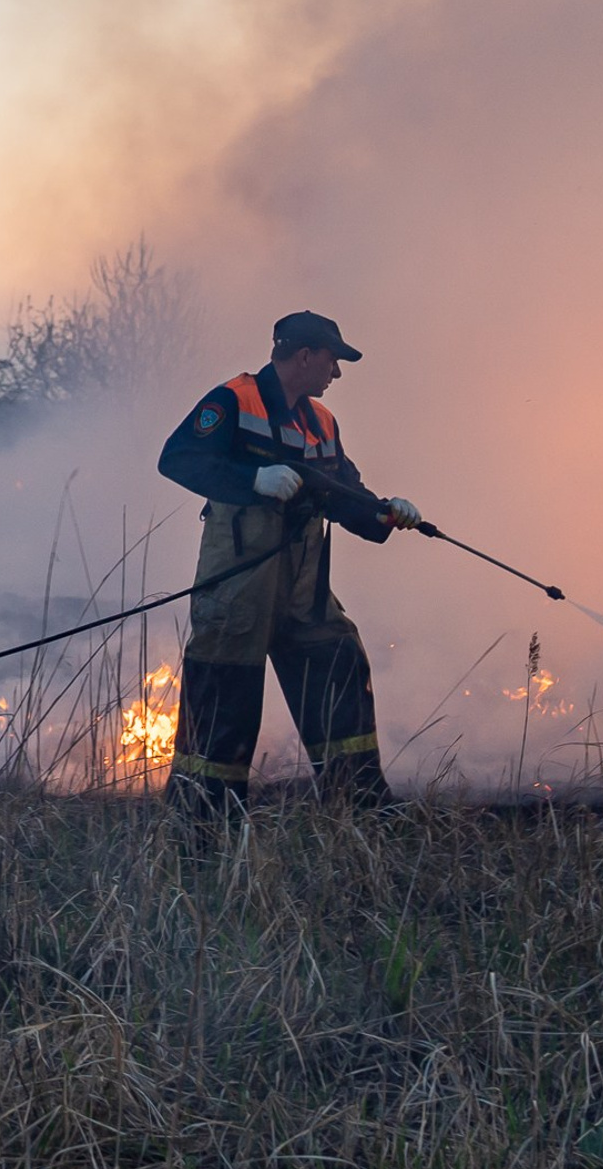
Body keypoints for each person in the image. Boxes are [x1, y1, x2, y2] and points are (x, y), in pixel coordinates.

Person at [155, 309, 421, 814]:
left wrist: (386, 514)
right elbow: (178, 459)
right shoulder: (232, 400)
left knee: (337, 657)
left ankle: (357, 804)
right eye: (332, 360)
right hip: (239, 580)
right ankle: (203, 819)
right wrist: (252, 481)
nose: (336, 373)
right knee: (224, 689)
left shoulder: (322, 422)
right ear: (304, 355)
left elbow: (343, 493)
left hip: (304, 583)